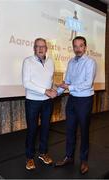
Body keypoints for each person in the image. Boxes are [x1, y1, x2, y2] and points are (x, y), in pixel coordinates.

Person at [55, 36, 96, 174]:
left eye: (81, 46)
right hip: (72, 100)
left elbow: (87, 83)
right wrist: (56, 92)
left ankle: (84, 160)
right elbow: (66, 80)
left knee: (84, 131)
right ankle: (69, 157)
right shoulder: (71, 62)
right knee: (70, 130)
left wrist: (69, 87)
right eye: (75, 46)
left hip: (84, 101)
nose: (78, 49)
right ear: (73, 47)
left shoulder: (90, 62)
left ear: (85, 47)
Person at [22, 38, 57, 170]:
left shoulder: (50, 62)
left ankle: (43, 153)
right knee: (32, 130)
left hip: (47, 102)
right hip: (33, 101)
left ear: (46, 48)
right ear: (34, 48)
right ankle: (29, 157)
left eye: (43, 46)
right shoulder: (28, 61)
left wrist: (55, 88)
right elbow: (26, 83)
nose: (40, 48)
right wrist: (45, 91)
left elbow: (50, 80)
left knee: (46, 128)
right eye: (38, 46)